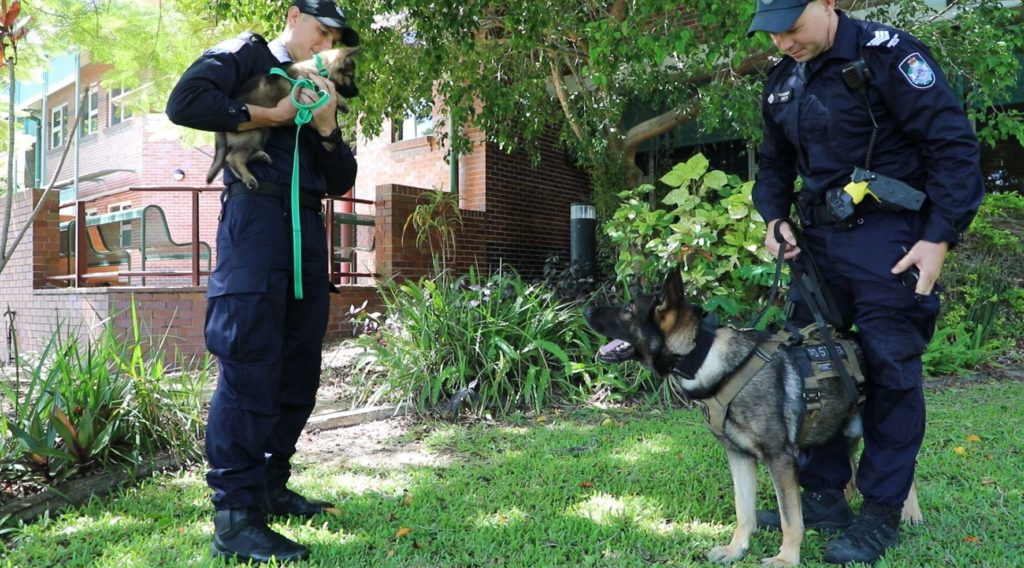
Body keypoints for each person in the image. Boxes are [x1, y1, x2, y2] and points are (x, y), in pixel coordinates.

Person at [746, 0, 983, 564]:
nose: (783, 42)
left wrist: (939, 236)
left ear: (828, 5)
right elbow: (774, 162)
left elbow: (953, 147)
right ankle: (823, 495)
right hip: (817, 247)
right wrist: (774, 219)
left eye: (793, 28)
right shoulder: (784, 78)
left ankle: (881, 511)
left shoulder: (889, 56)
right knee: (814, 371)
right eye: (772, 33)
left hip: (890, 240)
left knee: (889, 369)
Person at [166, 0, 359, 563]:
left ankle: (273, 487)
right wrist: (268, 118)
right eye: (319, 32)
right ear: (294, 15)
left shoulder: (320, 86)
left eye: (332, 40)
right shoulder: (245, 55)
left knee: (298, 369)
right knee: (249, 366)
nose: (323, 46)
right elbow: (185, 102)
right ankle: (236, 516)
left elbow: (341, 178)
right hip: (253, 223)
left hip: (306, 231)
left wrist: (326, 128)